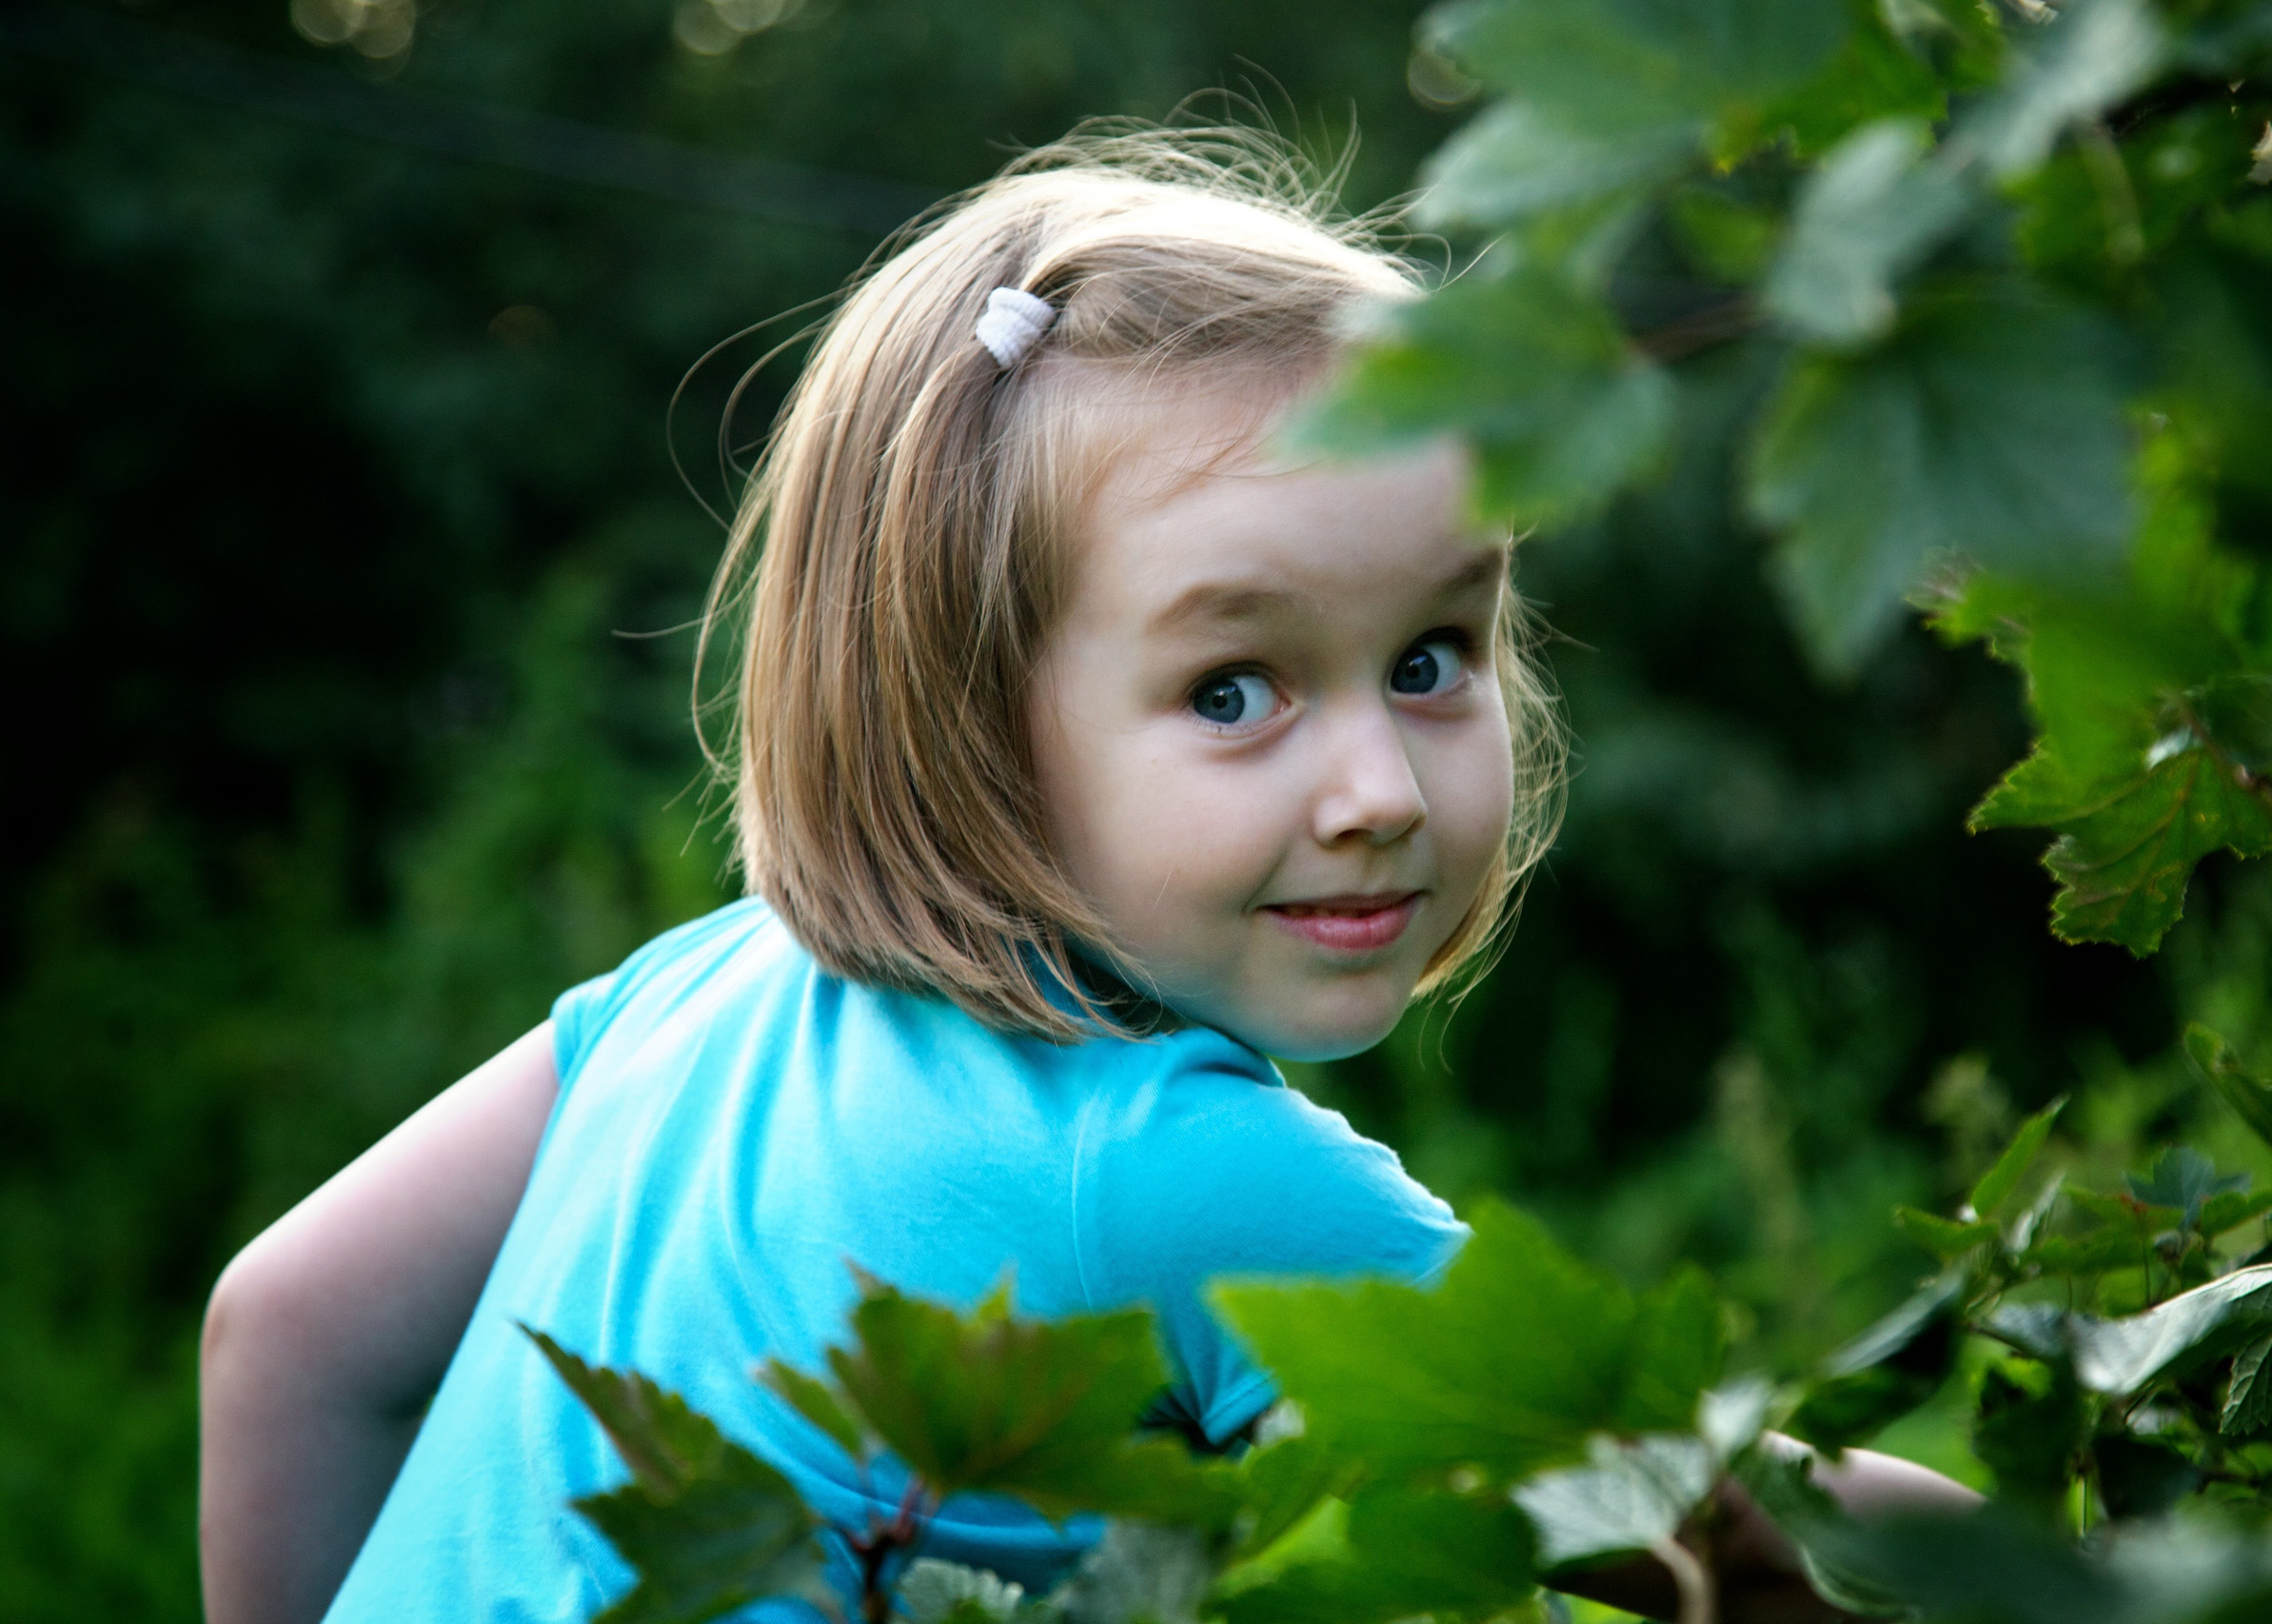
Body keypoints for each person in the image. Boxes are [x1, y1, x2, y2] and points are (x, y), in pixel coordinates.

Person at [198, 128, 1971, 1624]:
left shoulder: (698, 990)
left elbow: (280, 1329)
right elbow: (1732, 1533)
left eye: (1433, 655)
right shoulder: (1179, 1172)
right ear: (968, 721)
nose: (1379, 789)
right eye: (1235, 690)